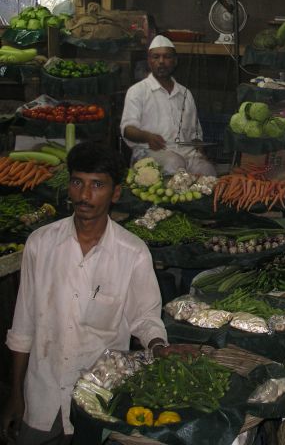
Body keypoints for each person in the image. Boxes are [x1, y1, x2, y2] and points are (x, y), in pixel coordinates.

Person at [1, 142, 187, 444]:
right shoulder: (40, 244)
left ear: (115, 193)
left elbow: (145, 317)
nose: (84, 196)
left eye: (97, 185)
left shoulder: (133, 253)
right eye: (78, 183)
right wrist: (15, 394)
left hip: (100, 399)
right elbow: (22, 328)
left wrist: (157, 345)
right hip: (41, 398)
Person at [120, 35, 216, 176]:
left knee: (208, 172)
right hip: (150, 153)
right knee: (174, 164)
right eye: (156, 57)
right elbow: (127, 129)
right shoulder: (137, 91)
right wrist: (147, 136)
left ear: (175, 61)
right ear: (149, 61)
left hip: (186, 153)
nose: (161, 62)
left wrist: (200, 152)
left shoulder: (185, 93)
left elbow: (195, 133)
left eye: (167, 57)